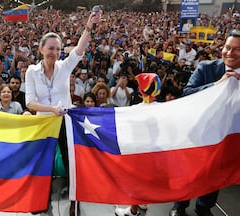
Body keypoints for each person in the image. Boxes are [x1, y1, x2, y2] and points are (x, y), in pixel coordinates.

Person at [25, 9, 102, 216]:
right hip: (43, 125)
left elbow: (79, 49)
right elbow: (30, 102)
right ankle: (42, 202)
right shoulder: (31, 71)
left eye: (58, 49)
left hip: (65, 124)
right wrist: (52, 110)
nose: (54, 53)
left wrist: (89, 25)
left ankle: (74, 201)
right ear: (41, 49)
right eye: (51, 48)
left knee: (72, 163)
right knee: (44, 164)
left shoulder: (64, 67)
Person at [169, 31, 240, 216]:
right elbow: (187, 93)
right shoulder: (206, 68)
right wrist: (217, 84)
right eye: (227, 47)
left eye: (238, 49)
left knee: (216, 173)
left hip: (228, 135)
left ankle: (204, 206)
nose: (230, 53)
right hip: (198, 132)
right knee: (188, 171)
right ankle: (180, 205)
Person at [115, 73, 162, 216]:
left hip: (138, 152)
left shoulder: (136, 110)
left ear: (141, 90)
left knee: (135, 181)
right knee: (147, 179)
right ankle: (144, 202)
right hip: (155, 152)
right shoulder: (163, 108)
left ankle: (133, 210)